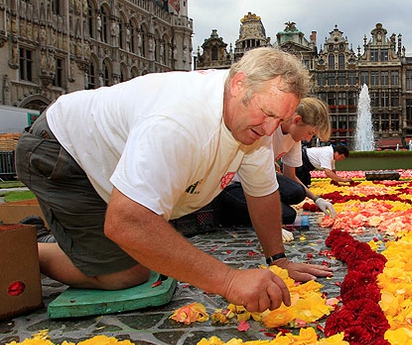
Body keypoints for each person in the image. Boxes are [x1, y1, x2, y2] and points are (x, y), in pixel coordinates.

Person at [14, 47, 331, 313]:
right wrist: (231, 281)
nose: (269, 129)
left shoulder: (255, 121)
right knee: (127, 274)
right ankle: (26, 249)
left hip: (108, 169)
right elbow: (127, 223)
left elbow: (262, 192)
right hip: (63, 153)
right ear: (238, 84)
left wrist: (277, 260)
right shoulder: (178, 121)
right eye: (266, 114)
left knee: (151, 247)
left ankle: (62, 234)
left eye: (280, 119)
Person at [214, 97, 337, 239]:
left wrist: (317, 199)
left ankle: (250, 210)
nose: (308, 140)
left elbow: (290, 176)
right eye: (310, 133)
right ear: (297, 120)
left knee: (297, 192)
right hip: (233, 183)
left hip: (261, 179)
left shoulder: (294, 138)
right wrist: (271, 225)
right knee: (287, 215)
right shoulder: (268, 128)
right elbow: (256, 178)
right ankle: (231, 211)